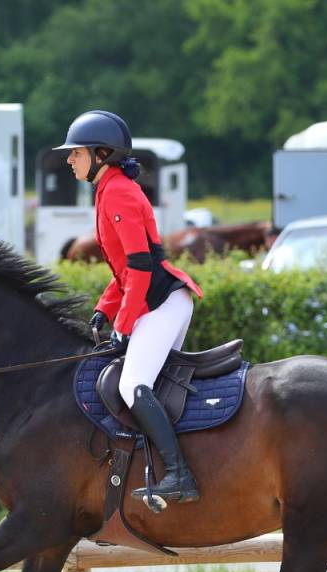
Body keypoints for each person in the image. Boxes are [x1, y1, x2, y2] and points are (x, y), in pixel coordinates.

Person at [55, 110, 204, 505]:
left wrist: (123, 323)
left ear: (101, 154)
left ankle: (179, 474)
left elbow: (139, 267)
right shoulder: (108, 190)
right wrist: (105, 309)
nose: (69, 160)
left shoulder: (117, 191)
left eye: (76, 153)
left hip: (163, 303)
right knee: (145, 383)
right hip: (159, 299)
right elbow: (123, 271)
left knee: (131, 384)